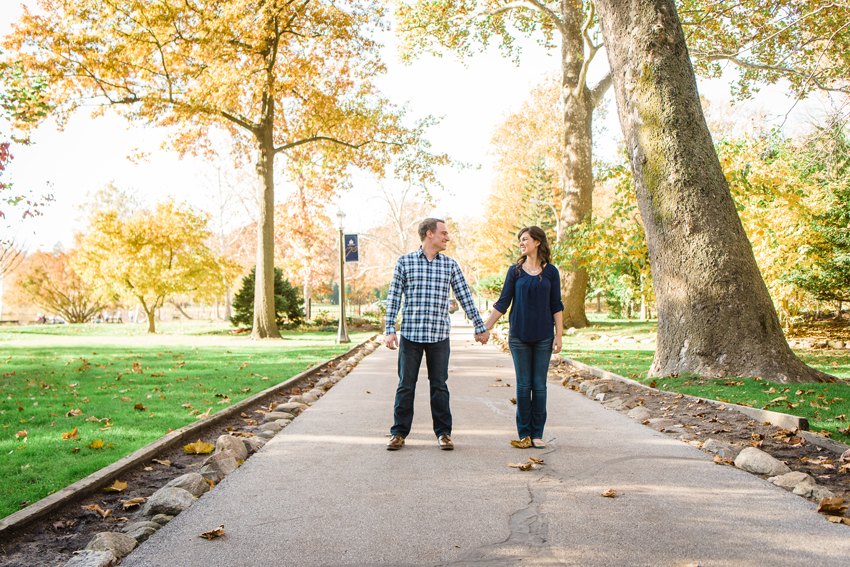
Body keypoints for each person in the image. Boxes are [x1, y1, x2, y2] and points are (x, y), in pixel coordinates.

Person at [384, 218, 490, 451]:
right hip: (411, 336)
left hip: (439, 336)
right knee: (406, 385)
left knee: (439, 385)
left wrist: (479, 325)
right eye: (443, 233)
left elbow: (464, 296)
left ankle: (443, 433)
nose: (448, 237)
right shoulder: (405, 262)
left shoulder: (450, 265)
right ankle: (398, 433)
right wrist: (390, 328)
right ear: (429, 234)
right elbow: (394, 297)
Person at [483, 226, 563, 449]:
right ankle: (524, 434)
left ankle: (537, 434)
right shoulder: (515, 271)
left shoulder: (551, 272)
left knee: (539, 386)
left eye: (525, 239)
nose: (521, 242)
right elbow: (502, 302)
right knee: (523, 385)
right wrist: (484, 327)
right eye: (520, 239)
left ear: (537, 242)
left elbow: (556, 305)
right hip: (519, 336)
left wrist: (559, 335)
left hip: (544, 337)